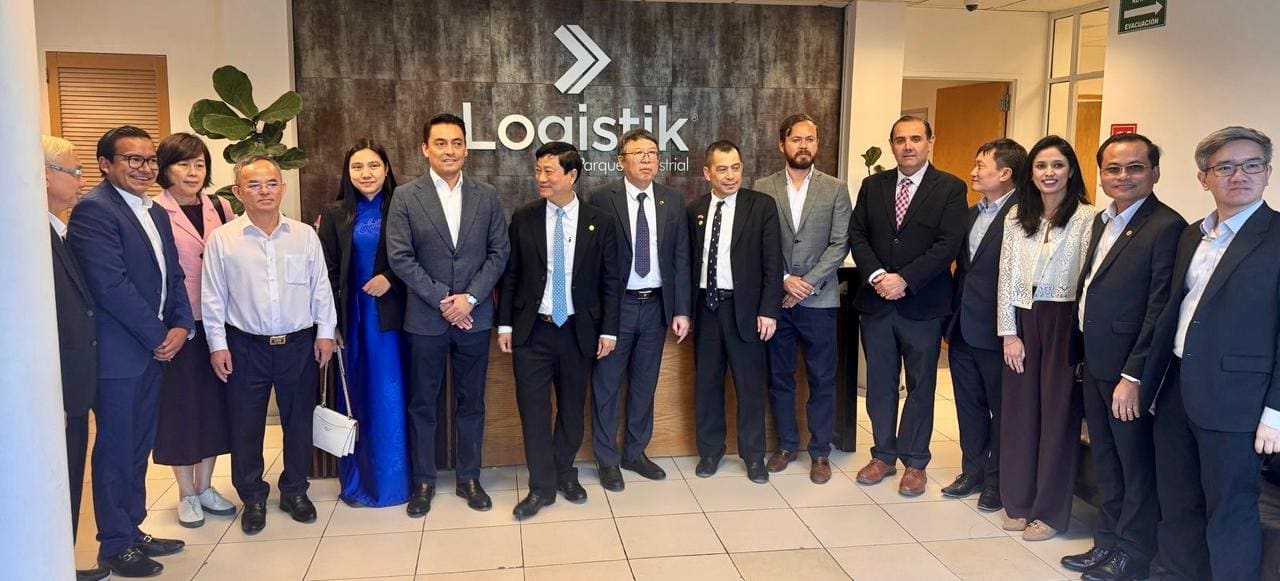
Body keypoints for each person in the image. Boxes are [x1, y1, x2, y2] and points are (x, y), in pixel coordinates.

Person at [1142, 126, 1280, 581]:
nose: (1239, 176)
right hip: (1177, 388)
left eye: (1252, 165)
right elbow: (1173, 312)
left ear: (1267, 172)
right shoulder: (1192, 235)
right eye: (1225, 167)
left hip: (1239, 400)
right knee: (1177, 498)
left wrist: (1276, 412)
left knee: (1231, 508)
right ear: (1204, 178)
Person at [67, 126, 192, 578]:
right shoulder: (94, 211)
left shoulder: (155, 211)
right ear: (105, 164)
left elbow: (173, 275)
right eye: (132, 159)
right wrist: (158, 335)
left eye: (150, 159)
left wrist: (182, 324)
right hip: (120, 356)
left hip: (153, 348)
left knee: (138, 446)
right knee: (116, 449)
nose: (145, 167)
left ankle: (132, 528)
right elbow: (110, 285)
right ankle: (114, 545)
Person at [1060, 133, 1184, 581]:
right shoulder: (1103, 220)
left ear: (1155, 172)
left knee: (1135, 467)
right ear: (1101, 174)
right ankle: (1107, 542)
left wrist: (1134, 376)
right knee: (1107, 461)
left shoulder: (1166, 226)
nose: (1123, 176)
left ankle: (1133, 554)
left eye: (1135, 167)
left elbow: (1160, 308)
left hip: (1128, 373)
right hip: (1096, 363)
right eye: (1113, 168)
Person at [201, 155, 338, 535]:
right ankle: (253, 497)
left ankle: (295, 490)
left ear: (283, 187)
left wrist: (325, 332)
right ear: (238, 191)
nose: (264, 191)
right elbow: (212, 296)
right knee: (246, 425)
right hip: (245, 346)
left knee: (299, 422)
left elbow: (320, 288)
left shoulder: (304, 235)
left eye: (271, 183)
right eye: (254, 185)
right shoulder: (223, 239)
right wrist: (217, 345)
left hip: (298, 344)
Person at [387, 113, 510, 516]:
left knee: (471, 402)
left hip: (475, 318)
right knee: (423, 403)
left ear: (466, 149)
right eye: (440, 143)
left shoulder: (486, 195)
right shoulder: (406, 196)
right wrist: (445, 300)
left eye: (457, 143)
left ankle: (468, 478)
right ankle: (423, 481)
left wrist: (469, 298)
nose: (449, 150)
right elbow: (400, 257)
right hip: (426, 320)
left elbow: (499, 253)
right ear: (425, 148)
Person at [498, 142, 620, 519]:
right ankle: (541, 487)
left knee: (571, 409)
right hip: (533, 330)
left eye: (549, 171)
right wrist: (505, 324)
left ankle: (565, 472)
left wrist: (609, 331)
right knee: (534, 411)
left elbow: (611, 281)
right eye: (538, 170)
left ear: (572, 175)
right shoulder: (524, 217)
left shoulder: (600, 221)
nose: (541, 178)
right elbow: (511, 275)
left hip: (578, 331)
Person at [847, 116, 967, 496]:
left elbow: (948, 244)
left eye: (916, 138)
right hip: (877, 303)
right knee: (881, 385)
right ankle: (883, 455)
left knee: (921, 385)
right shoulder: (873, 186)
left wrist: (905, 279)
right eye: (900, 140)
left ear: (931, 141)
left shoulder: (950, 188)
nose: (908, 146)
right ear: (892, 145)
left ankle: (916, 462)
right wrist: (878, 276)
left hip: (923, 305)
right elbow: (858, 235)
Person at [996, 135, 1098, 542]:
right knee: (1019, 413)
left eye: (1057, 165)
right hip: (1023, 317)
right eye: (1041, 166)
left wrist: (1082, 338)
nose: (1049, 173)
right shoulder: (1017, 215)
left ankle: (1050, 511)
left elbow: (1088, 280)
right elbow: (1006, 275)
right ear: (1031, 173)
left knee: (1058, 416)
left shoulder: (1088, 218)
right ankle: (1018, 501)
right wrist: (1009, 333)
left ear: (1071, 171)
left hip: (1064, 319)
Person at [587, 128, 691, 491]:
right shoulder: (601, 198)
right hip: (617, 309)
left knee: (645, 385)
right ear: (621, 161)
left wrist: (681, 310)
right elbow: (592, 260)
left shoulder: (671, 200)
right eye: (639, 153)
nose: (647, 159)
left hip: (656, 306)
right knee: (607, 386)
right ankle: (607, 459)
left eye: (652, 153)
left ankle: (634, 452)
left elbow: (680, 257)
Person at [754, 114, 851, 484]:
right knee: (780, 377)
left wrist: (806, 283)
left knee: (822, 379)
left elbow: (840, 243)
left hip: (819, 302)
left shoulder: (835, 188)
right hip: (777, 301)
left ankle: (821, 451)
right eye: (796, 139)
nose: (804, 145)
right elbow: (760, 243)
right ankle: (786, 445)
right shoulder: (763, 187)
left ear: (817, 144)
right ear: (782, 144)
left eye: (810, 139)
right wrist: (784, 280)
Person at [318, 139, 411, 508]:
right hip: (354, 319)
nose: (366, 173)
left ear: (386, 169)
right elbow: (328, 271)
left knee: (392, 395)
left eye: (373, 165)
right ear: (348, 172)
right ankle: (360, 482)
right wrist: (332, 323)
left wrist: (391, 277)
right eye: (357, 166)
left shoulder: (404, 205)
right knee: (359, 397)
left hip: (395, 320)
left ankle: (397, 482)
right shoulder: (335, 213)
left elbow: (420, 256)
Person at [151, 132, 236, 528]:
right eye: (183, 164)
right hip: (179, 325)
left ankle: (205, 486)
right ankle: (186, 492)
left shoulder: (220, 206)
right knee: (181, 409)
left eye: (199, 164)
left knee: (215, 406)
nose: (192, 172)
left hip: (220, 322)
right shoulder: (154, 211)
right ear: (165, 169)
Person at [688, 140, 783, 484]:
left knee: (750, 387)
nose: (730, 176)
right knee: (707, 385)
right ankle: (710, 452)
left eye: (736, 168)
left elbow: (773, 263)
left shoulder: (761, 206)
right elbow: (687, 263)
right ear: (707, 173)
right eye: (722, 169)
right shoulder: (695, 210)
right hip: (707, 309)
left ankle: (754, 456)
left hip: (746, 311)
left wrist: (769, 310)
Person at [941, 138, 1026, 512]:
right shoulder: (971, 214)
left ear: (1005, 173)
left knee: (1001, 409)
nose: (973, 172)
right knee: (968, 406)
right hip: (962, 326)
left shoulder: (1024, 217)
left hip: (999, 331)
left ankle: (996, 481)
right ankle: (972, 471)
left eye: (981, 165)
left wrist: (1014, 331)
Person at [44, 136, 110, 581]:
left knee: (69, 477)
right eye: (74, 171)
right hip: (58, 388)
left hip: (75, 383)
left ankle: (60, 564)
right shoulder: (30, 237)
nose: (82, 181)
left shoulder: (59, 230)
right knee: (55, 480)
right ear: (44, 176)